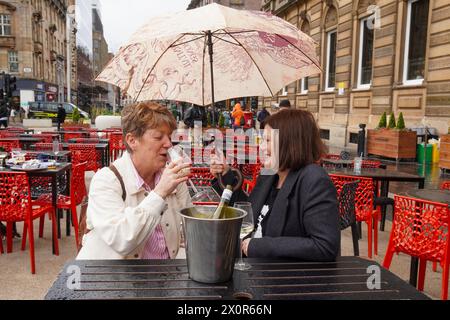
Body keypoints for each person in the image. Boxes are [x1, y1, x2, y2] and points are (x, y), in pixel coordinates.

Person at [210, 109, 340, 261]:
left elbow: (325, 246)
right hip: (252, 269)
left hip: (284, 278)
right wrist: (225, 175)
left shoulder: (314, 179)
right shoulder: (270, 175)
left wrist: (258, 246)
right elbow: (246, 212)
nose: (262, 148)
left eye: (267, 141)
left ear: (289, 141)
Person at [76, 101, 192, 260]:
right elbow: (123, 239)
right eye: (159, 136)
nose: (168, 143)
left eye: (169, 136)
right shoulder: (106, 180)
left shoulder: (173, 180)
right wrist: (159, 193)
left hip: (164, 278)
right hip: (115, 280)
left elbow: (190, 230)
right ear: (132, 140)